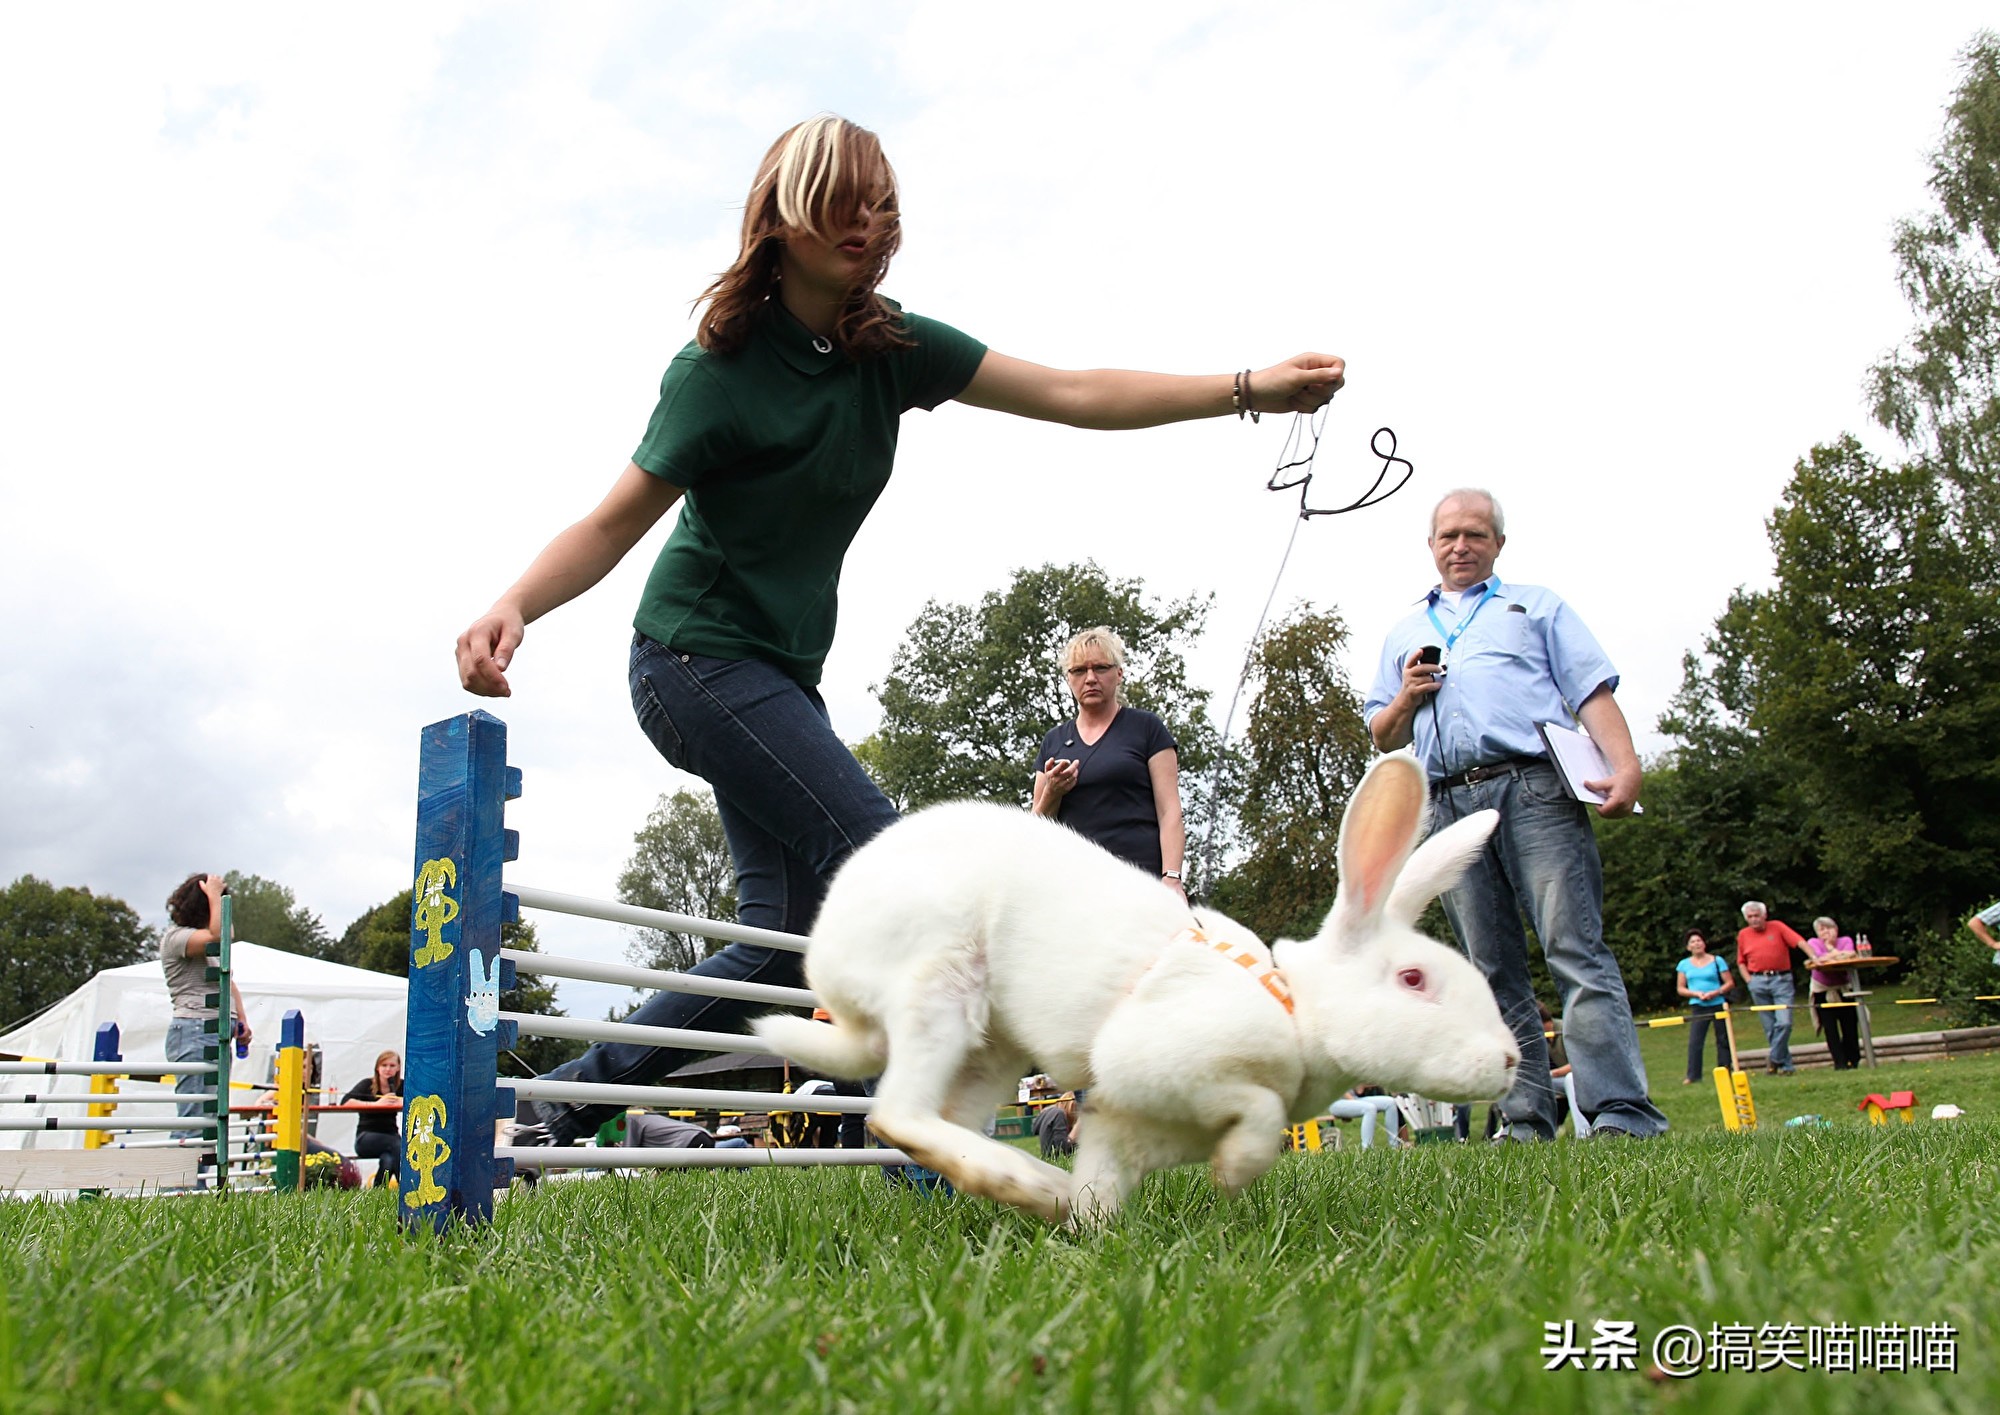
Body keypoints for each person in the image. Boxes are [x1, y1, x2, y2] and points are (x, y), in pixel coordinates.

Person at [456, 114, 1344, 1146]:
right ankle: (933, 1128)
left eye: (881, 204)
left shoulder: (888, 350)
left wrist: (1245, 389)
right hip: (691, 658)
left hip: (779, 678)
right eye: (842, 199)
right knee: (892, 868)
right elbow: (613, 520)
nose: (866, 222)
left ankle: (549, 1102)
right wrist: (516, 601)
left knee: (784, 940)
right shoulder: (718, 374)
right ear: (781, 216)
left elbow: (1068, 391)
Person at [1363, 488, 1666, 1142]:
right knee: (1489, 968)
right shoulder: (1404, 631)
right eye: (1449, 535)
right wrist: (1409, 697)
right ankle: (1524, 1118)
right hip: (1448, 800)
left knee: (1573, 946)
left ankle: (1621, 1113)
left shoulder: (1535, 606)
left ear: (1498, 543)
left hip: (1532, 789)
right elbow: (1383, 734)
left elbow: (1590, 690)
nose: (1461, 546)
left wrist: (1627, 765)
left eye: (1475, 534)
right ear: (1431, 545)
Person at [1031, 626, 1187, 892]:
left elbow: (1170, 811)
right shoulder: (1053, 741)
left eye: (1100, 668)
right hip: (1071, 888)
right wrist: (1053, 793)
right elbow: (1035, 828)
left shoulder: (1147, 728)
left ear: (1119, 674)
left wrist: (1172, 877)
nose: (1090, 678)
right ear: (1069, 679)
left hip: (1139, 882)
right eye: (1079, 671)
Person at [160, 873, 251, 1138]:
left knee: (210, 1122)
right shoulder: (177, 938)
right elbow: (220, 936)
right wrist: (213, 894)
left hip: (216, 1034)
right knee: (193, 1122)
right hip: (194, 1030)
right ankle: (183, 1180)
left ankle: (197, 1180)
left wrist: (241, 1021)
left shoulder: (208, 945)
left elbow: (229, 983)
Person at [1735, 901, 1805, 1074]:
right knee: (1769, 1026)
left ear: (1764, 915)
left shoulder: (1777, 927)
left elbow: (1800, 942)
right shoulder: (1743, 934)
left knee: (1784, 1022)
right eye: (1750, 917)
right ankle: (1786, 1066)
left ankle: (1774, 1059)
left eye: (1756, 916)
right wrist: (1749, 981)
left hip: (1781, 979)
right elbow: (1741, 962)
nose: (1754, 920)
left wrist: (1815, 957)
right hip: (1757, 981)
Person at [1802, 916, 1866, 1070]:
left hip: (1844, 988)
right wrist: (1834, 955)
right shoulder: (1813, 943)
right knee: (1830, 1029)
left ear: (1836, 929)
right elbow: (1817, 959)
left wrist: (1830, 949)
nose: (1826, 932)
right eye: (1821, 930)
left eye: (1828, 928)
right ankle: (1839, 1063)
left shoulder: (1846, 940)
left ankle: (1853, 1059)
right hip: (1822, 990)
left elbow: (1850, 955)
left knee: (1850, 1026)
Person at [1674, 929, 1734, 1084]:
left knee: (1723, 1038)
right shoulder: (1684, 964)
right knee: (1696, 1041)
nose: (1696, 944)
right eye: (1693, 942)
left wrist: (1716, 992)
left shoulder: (1717, 960)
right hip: (1698, 1005)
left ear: (1704, 943)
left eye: (1699, 940)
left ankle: (1726, 1069)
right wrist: (1696, 994)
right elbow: (1680, 988)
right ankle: (1693, 1075)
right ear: (1688, 947)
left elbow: (1729, 982)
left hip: (1718, 1003)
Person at [342, 1050, 403, 1186]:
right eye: (384, 1065)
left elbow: (419, 1101)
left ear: (398, 1067)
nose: (388, 1069)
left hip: (390, 1135)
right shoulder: (367, 1084)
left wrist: (401, 1101)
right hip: (366, 1137)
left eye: (392, 1065)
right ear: (377, 1067)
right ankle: (406, 1187)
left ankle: (378, 1191)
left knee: (388, 1160)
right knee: (398, 1145)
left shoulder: (401, 1085)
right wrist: (376, 1104)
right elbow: (346, 1101)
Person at [1033, 1092, 1077, 1158]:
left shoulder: (1051, 1113)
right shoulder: (1059, 1114)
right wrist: (1073, 1136)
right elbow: (1062, 1148)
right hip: (1055, 1160)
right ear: (1072, 1106)